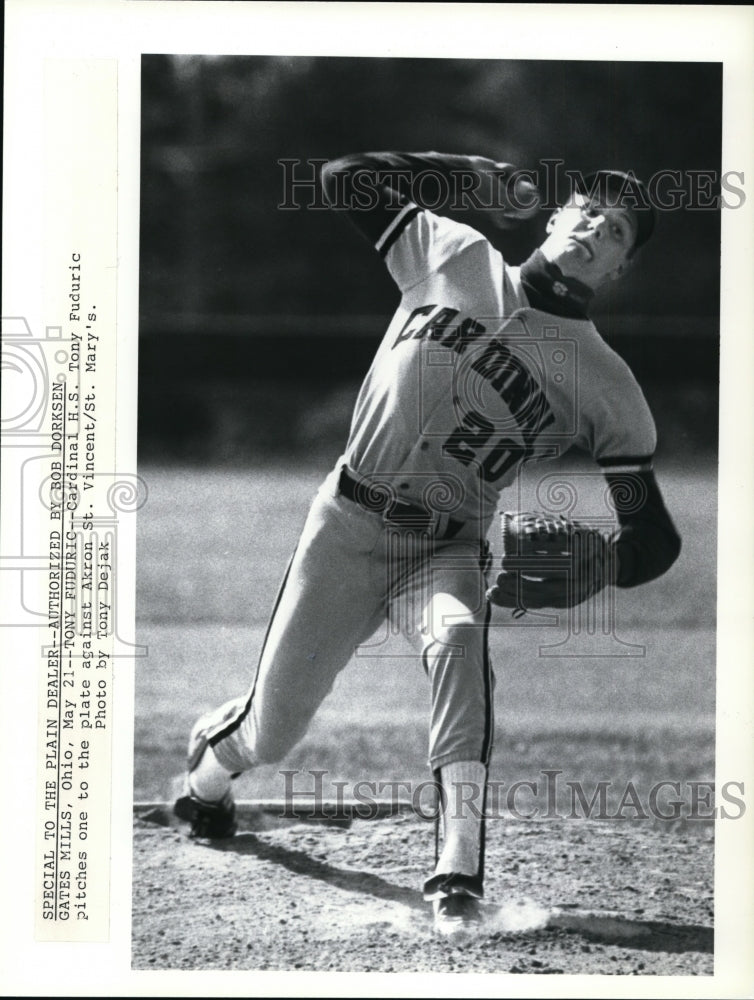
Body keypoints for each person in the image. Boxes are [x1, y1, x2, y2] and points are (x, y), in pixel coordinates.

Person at [174, 150, 682, 936]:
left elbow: (655, 537)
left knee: (457, 636)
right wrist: (459, 170)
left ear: (617, 271)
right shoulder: (454, 253)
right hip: (345, 526)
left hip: (447, 546)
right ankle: (210, 771)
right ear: (554, 218)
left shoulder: (606, 385)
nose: (595, 228)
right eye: (586, 209)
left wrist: (606, 562)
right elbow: (344, 178)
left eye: (616, 231)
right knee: (271, 731)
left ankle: (456, 871)